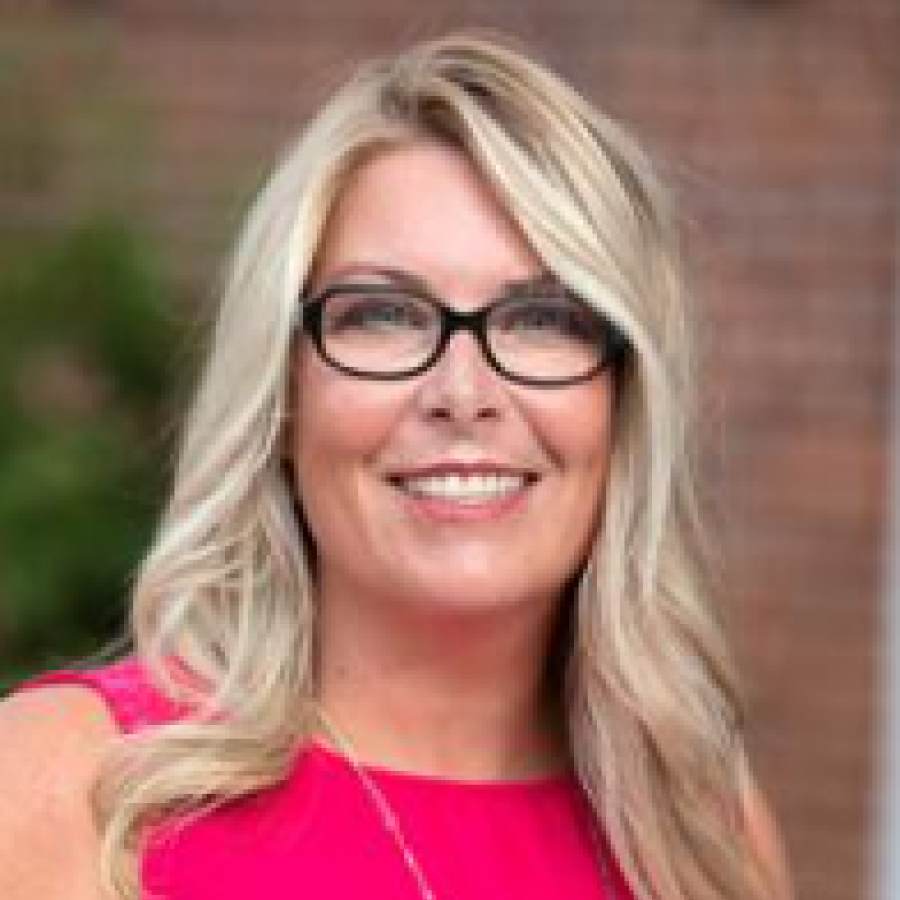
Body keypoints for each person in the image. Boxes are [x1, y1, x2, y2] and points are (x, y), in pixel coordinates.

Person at [0, 32, 793, 900]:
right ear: (284, 395)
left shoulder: (703, 831)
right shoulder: (69, 788)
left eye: (544, 317)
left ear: (624, 400)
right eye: (383, 314)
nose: (463, 391)